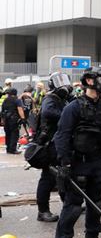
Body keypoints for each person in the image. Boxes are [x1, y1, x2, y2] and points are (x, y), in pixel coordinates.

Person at [53, 67, 101, 238]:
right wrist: (65, 163)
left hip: (97, 162)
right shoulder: (73, 107)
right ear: (89, 81)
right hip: (77, 163)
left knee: (96, 204)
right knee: (72, 207)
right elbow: (62, 135)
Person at [32, 73, 73, 222]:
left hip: (59, 144)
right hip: (49, 145)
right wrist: (67, 114)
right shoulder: (50, 98)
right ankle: (43, 211)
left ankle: (69, 204)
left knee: (63, 176)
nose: (64, 85)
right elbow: (48, 112)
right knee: (48, 178)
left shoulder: (62, 100)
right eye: (60, 82)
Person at [1, 88, 26, 154]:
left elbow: (2, 111)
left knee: (8, 134)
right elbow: (20, 109)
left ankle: (8, 149)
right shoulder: (17, 100)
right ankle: (13, 149)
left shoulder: (5, 100)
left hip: (6, 119)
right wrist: (23, 118)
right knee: (14, 134)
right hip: (14, 120)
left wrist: (2, 120)